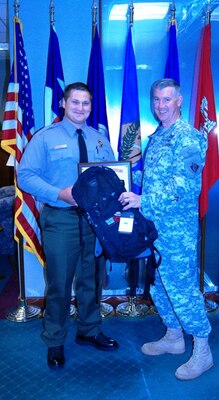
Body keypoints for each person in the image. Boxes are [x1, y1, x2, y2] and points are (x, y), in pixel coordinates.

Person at [17, 82, 119, 369]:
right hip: (61, 218)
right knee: (60, 284)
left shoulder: (99, 139)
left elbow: (111, 176)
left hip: (94, 221)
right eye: (75, 102)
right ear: (63, 103)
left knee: (92, 278)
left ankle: (89, 330)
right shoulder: (45, 138)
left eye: (86, 103)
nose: (81, 108)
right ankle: (55, 340)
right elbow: (25, 176)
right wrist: (58, 193)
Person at [119, 78, 213, 380]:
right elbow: (155, 177)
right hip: (155, 228)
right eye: (157, 99)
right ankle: (173, 337)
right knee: (160, 285)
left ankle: (202, 350)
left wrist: (143, 199)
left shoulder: (187, 137)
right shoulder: (159, 136)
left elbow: (186, 188)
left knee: (183, 289)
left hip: (177, 233)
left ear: (179, 100)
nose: (161, 105)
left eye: (167, 99)